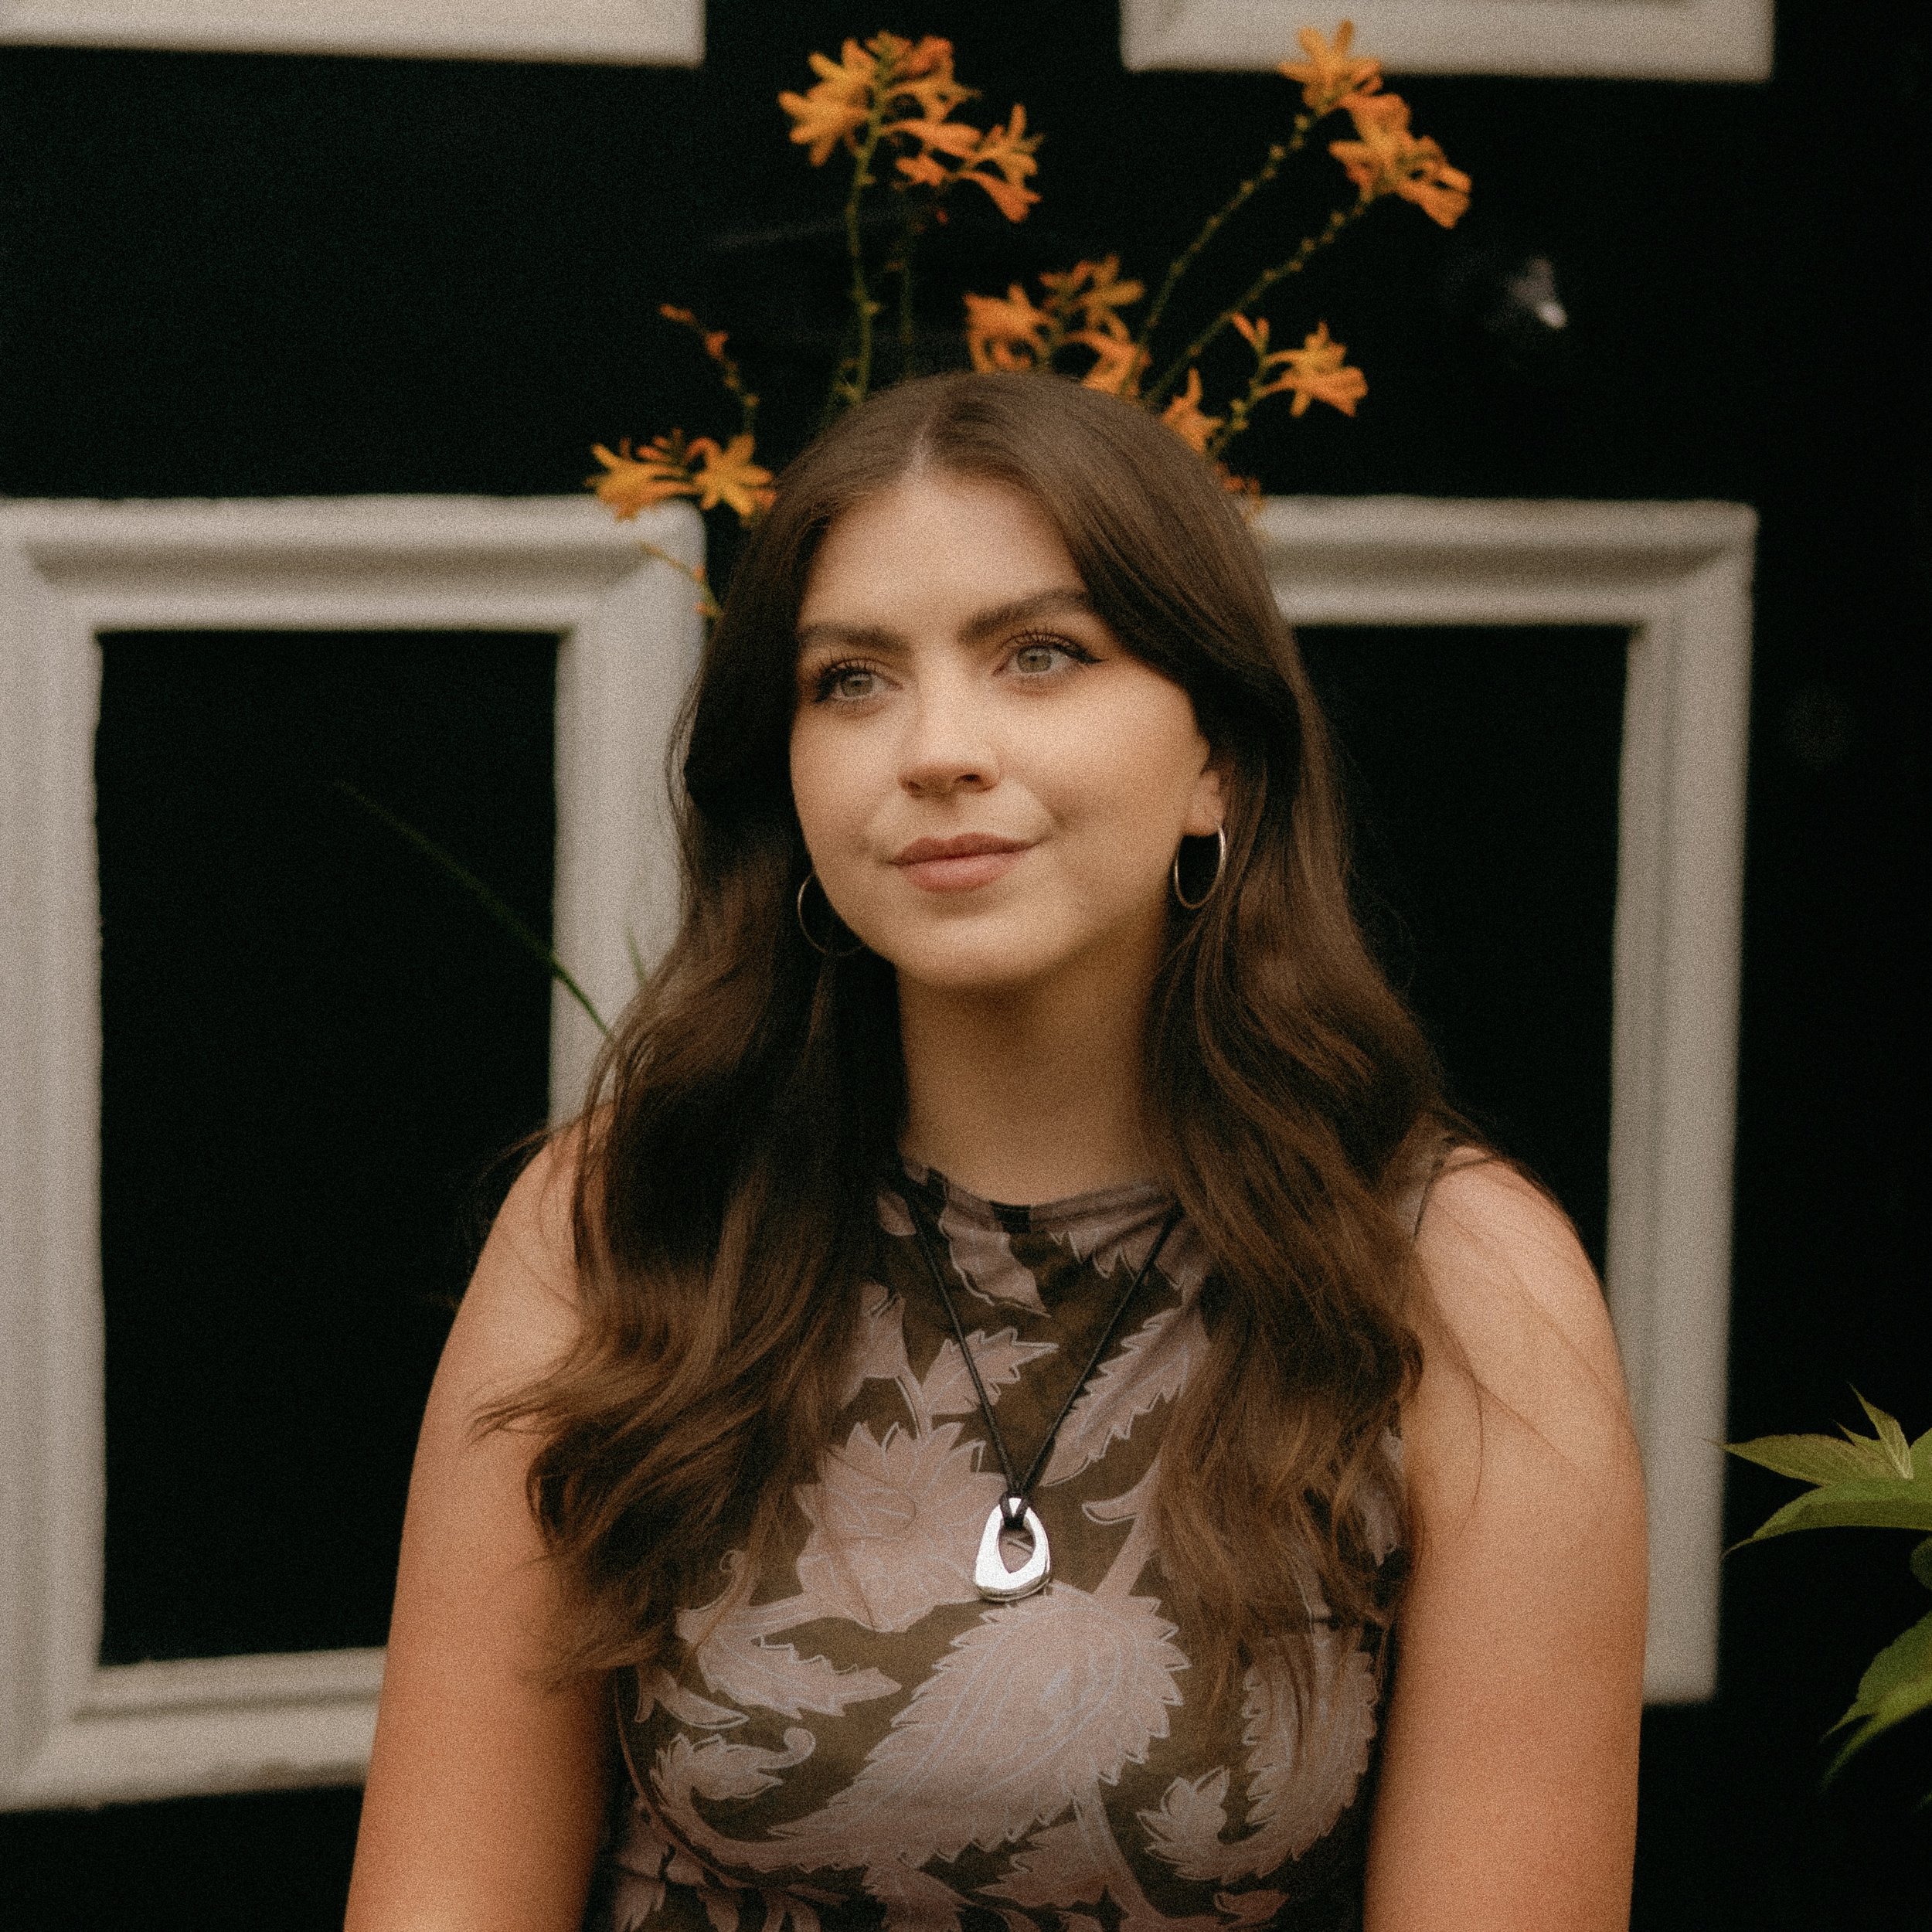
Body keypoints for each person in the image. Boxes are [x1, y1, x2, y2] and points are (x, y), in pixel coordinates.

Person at [344, 372, 1648, 1932]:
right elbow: (441, 1894)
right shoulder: (627, 1215)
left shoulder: (1452, 1279)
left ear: (1218, 758)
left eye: (1040, 655)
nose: (934, 746)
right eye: (851, 679)